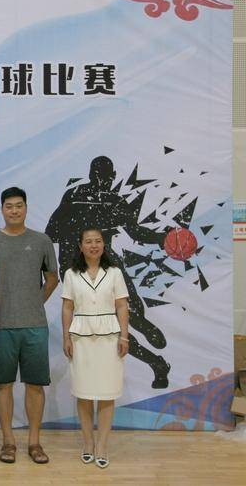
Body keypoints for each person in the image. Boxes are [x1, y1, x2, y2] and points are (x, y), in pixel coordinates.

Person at [45, 155, 169, 388]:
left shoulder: (101, 198)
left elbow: (51, 232)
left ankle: (146, 335)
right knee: (117, 325)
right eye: (101, 176)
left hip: (104, 264)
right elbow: (51, 232)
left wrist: (162, 238)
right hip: (77, 270)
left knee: (128, 313)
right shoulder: (84, 197)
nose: (103, 181)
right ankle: (154, 358)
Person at [0, 187, 58, 465]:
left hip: (34, 325)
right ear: (2, 209)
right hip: (1, 325)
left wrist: (34, 302)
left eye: (19, 205)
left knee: (35, 385)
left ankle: (34, 442)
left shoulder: (41, 240)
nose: (14, 210)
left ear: (26, 207)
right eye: (9, 206)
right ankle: (8, 441)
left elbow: (52, 278)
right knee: (3, 384)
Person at [61, 227, 129, 469]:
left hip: (110, 339)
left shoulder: (114, 272)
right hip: (80, 339)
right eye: (88, 241)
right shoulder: (71, 274)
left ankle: (102, 445)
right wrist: (66, 337)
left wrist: (124, 337)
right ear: (80, 246)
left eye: (98, 241)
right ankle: (88, 443)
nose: (93, 245)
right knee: (84, 393)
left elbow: (121, 306)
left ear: (103, 245)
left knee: (107, 393)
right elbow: (67, 307)